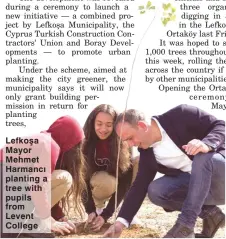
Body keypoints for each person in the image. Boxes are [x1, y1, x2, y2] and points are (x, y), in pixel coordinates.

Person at [103, 104, 225, 238]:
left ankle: (185, 226)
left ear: (143, 126)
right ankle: (212, 215)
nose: (130, 144)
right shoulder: (147, 153)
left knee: (201, 157)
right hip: (202, 191)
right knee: (157, 191)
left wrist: (207, 144)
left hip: (221, 175)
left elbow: (221, 125)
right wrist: (120, 223)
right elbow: (139, 187)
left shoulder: (182, 114)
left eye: (130, 138)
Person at [1, 115, 87, 237]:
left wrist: (59, 217)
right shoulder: (50, 145)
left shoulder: (43, 140)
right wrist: (48, 219)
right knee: (65, 177)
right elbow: (37, 184)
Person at [82, 104, 139, 232]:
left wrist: (106, 215)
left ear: (116, 125)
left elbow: (125, 181)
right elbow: (82, 182)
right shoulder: (85, 144)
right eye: (99, 123)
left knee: (139, 163)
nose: (103, 129)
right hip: (98, 187)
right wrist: (90, 210)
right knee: (106, 180)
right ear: (92, 123)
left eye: (109, 124)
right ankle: (98, 208)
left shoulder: (124, 142)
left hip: (118, 185)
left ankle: (128, 211)